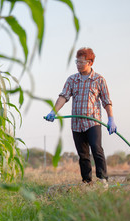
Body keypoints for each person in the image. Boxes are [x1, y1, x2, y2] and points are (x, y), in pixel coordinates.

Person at [45, 47, 117, 187]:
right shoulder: (72, 80)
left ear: (89, 63)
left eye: (80, 62)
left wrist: (111, 118)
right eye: (76, 62)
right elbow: (64, 96)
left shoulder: (99, 80)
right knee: (83, 155)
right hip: (77, 124)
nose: (77, 65)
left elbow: (106, 101)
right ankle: (87, 182)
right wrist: (53, 111)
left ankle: (103, 181)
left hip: (92, 122)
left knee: (96, 149)